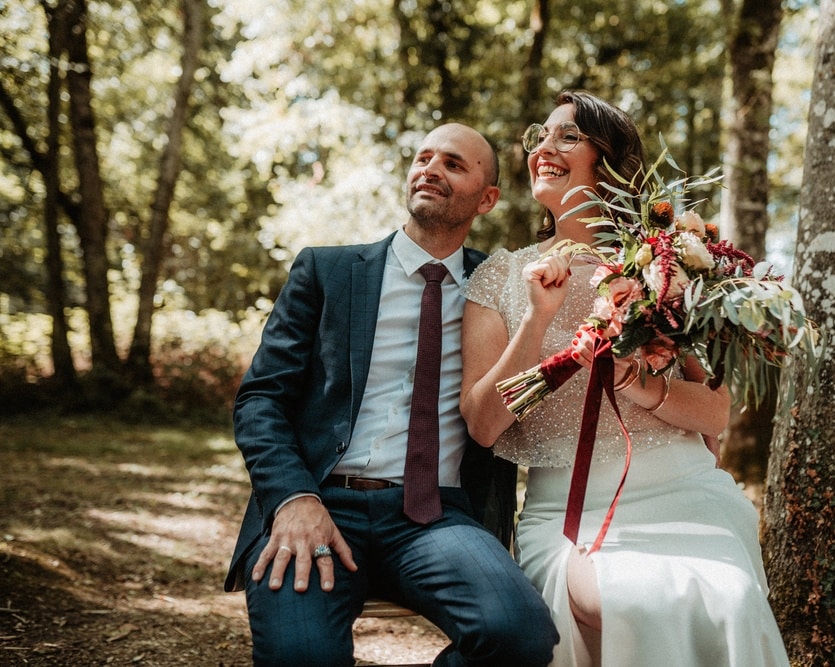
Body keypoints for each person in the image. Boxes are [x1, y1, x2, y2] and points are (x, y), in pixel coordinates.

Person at [460, 91, 790, 666]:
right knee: (624, 600)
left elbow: (716, 413)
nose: (544, 146)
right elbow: (484, 424)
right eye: (542, 134)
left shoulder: (668, 266)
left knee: (731, 600)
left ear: (609, 162)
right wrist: (538, 318)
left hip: (685, 489)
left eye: (568, 136)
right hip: (571, 508)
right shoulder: (500, 275)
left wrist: (635, 381)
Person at [225, 122, 558, 667]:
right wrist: (293, 498)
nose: (431, 169)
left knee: (518, 636)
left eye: (454, 164)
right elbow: (260, 400)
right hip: (321, 502)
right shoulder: (326, 271)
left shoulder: (501, 284)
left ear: (487, 198)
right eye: (424, 158)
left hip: (438, 514)